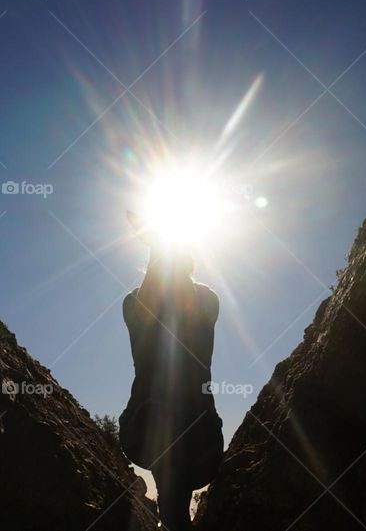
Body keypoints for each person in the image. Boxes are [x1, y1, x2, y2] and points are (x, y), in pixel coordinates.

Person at [119, 213, 224, 531]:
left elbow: (175, 307)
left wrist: (157, 243)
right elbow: (154, 312)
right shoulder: (134, 303)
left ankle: (174, 517)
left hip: (191, 430)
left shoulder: (206, 300)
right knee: (174, 506)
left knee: (174, 505)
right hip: (156, 425)